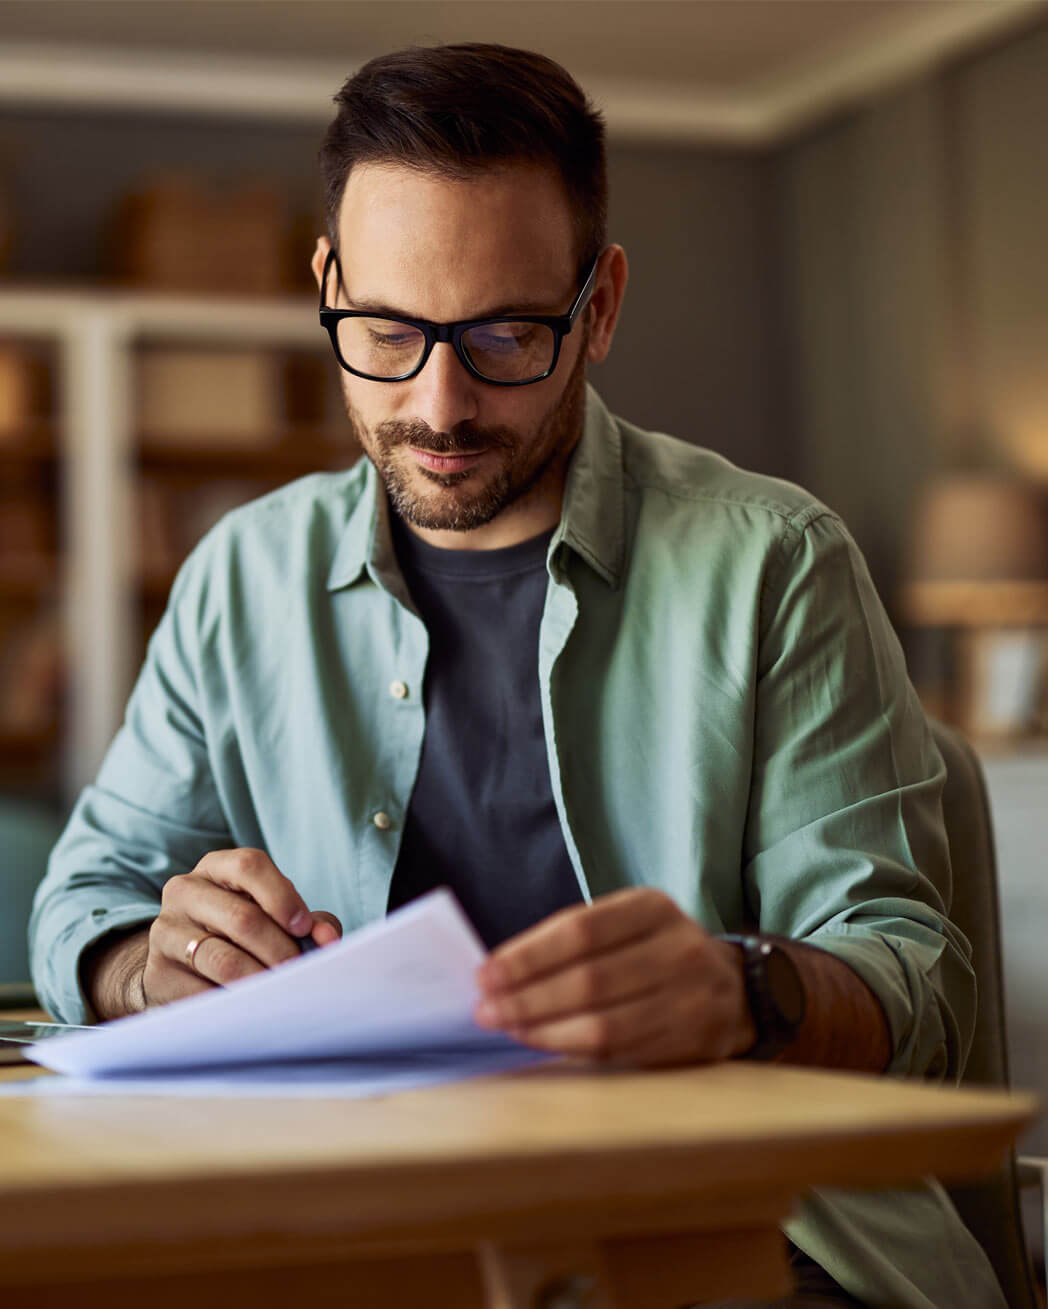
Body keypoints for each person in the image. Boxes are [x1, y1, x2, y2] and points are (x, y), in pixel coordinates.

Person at [31, 43, 1003, 1309]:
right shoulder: (238, 578)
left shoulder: (778, 563)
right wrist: (147, 963)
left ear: (596, 307)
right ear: (325, 286)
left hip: (740, 1233)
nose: (437, 405)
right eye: (384, 330)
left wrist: (741, 988)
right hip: (359, 1229)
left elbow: (912, 979)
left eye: (502, 334)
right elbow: (79, 903)